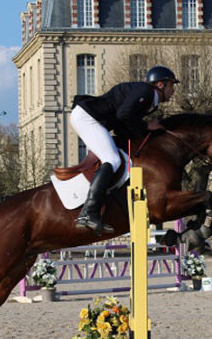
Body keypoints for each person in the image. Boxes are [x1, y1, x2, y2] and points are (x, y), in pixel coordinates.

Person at [70, 65, 179, 233]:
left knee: (113, 158)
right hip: (88, 117)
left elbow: (123, 126)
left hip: (93, 119)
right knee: (112, 159)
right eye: (171, 85)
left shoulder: (151, 101)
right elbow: (123, 115)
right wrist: (147, 125)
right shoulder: (146, 92)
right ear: (160, 85)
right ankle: (88, 212)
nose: (173, 90)